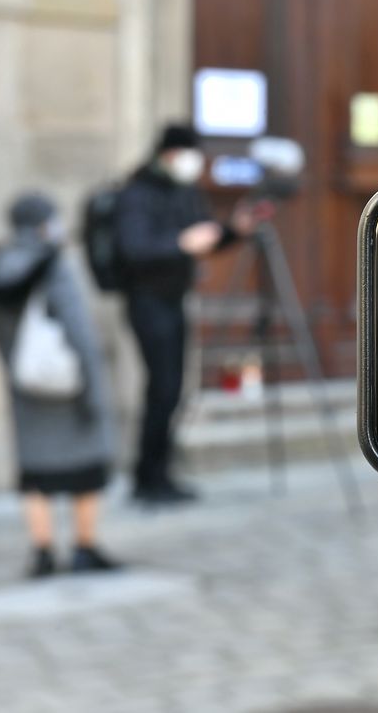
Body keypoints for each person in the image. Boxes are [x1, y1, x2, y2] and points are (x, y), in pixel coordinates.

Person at [115, 123, 263, 505]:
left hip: (174, 299)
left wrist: (235, 230)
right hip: (147, 300)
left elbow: (205, 238)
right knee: (162, 389)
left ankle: (159, 472)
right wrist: (180, 242)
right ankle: (148, 478)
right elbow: (136, 249)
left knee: (172, 389)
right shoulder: (137, 193)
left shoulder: (185, 191)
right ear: (168, 154)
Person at [0, 193, 120, 576]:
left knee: (36, 473)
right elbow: (79, 331)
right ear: (43, 224)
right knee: (85, 468)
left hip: (26, 386)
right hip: (68, 384)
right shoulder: (53, 263)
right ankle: (84, 546)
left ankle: (42, 551)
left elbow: (0, 338)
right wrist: (93, 387)